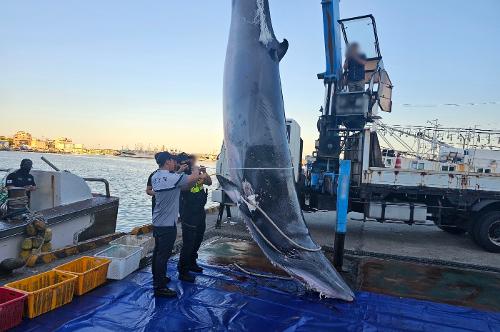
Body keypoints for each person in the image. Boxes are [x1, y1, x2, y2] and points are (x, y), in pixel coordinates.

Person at [150, 152, 202, 298]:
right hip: (167, 224)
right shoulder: (172, 177)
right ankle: (159, 287)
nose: (175, 163)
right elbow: (192, 178)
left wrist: (179, 171)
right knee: (163, 255)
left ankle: (158, 278)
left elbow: (179, 185)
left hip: (158, 221)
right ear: (167, 162)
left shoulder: (156, 176)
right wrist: (196, 168)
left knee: (158, 252)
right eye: (173, 160)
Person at [178, 155, 212, 281]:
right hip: (188, 212)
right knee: (188, 242)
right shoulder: (181, 175)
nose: (191, 163)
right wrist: (197, 176)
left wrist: (204, 173)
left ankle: (192, 262)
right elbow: (185, 187)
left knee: (198, 238)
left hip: (199, 210)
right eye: (187, 162)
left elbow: (209, 182)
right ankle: (183, 270)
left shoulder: (197, 172)